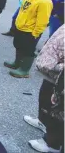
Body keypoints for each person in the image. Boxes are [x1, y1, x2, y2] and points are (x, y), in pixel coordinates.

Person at [25, 25, 64, 153]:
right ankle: (43, 121)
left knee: (58, 110)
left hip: (60, 74)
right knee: (45, 98)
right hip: (52, 71)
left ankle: (52, 144)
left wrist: (58, 67)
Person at [4, 0, 53, 78]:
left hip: (30, 31)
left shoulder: (45, 2)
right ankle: (17, 63)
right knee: (18, 45)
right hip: (20, 28)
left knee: (28, 50)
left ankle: (24, 70)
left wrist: (36, 33)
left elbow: (43, 21)